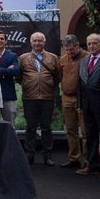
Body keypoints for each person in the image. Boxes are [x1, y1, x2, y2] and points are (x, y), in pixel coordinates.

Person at [17, 32, 60, 167]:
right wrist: (28, 84)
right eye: (35, 41)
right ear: (31, 42)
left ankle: (47, 155)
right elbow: (18, 76)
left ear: (44, 42)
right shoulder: (23, 58)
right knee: (30, 128)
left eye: (40, 41)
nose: (37, 43)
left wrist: (48, 84)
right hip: (29, 97)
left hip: (47, 97)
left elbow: (58, 76)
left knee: (46, 128)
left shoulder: (53, 58)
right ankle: (29, 155)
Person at [77, 33, 100, 177]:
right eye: (89, 44)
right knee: (90, 135)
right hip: (87, 105)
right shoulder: (84, 60)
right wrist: (80, 104)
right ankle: (91, 164)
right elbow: (80, 85)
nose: (91, 46)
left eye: (95, 43)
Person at [58, 34, 88, 169]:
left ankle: (88, 159)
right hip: (67, 97)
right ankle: (74, 158)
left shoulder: (87, 57)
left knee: (86, 131)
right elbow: (59, 76)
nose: (69, 52)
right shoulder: (63, 59)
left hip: (83, 98)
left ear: (78, 45)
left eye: (71, 49)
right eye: (67, 49)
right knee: (70, 130)